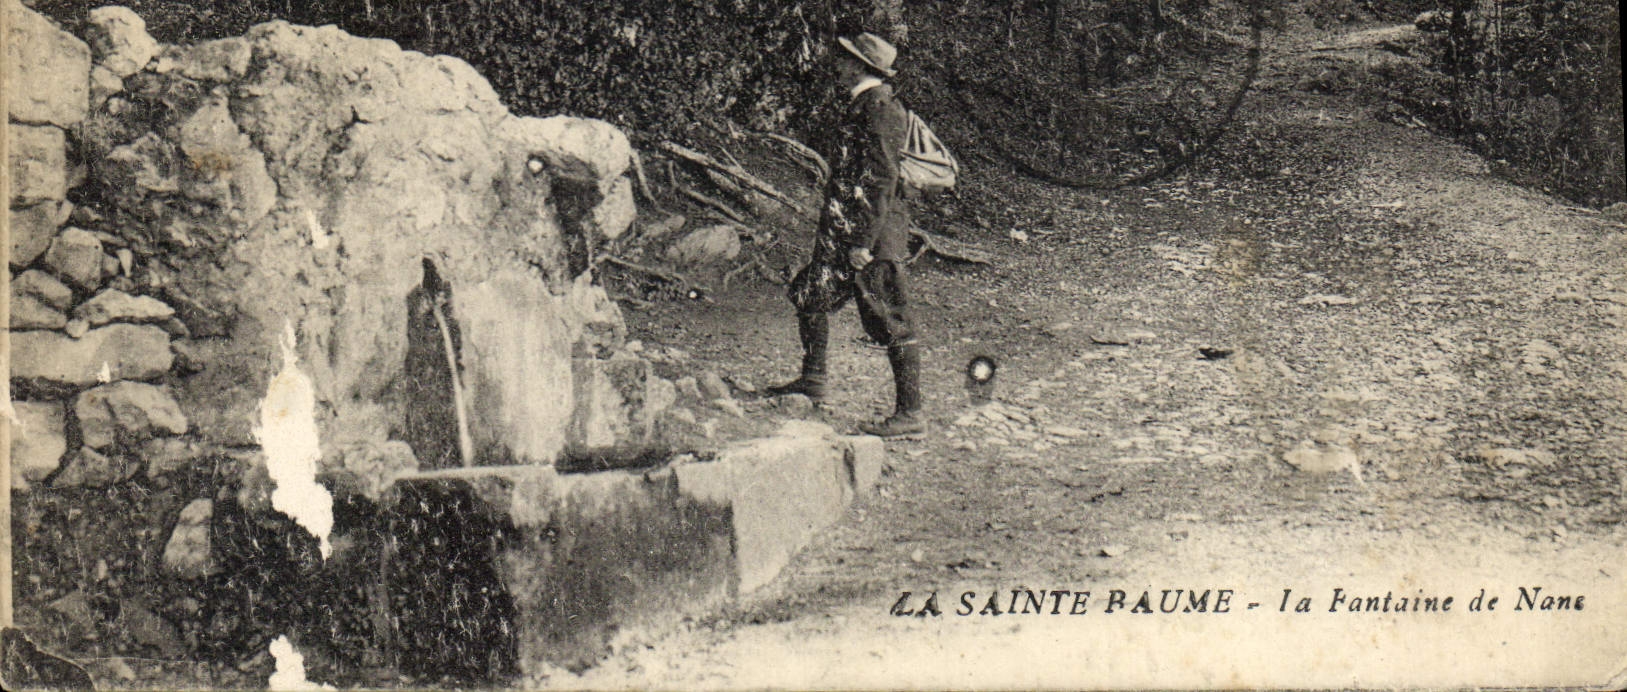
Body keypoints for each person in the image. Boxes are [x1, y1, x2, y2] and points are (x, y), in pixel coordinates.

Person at [765, 32, 923, 438]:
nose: (837, 63)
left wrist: (863, 243)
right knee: (809, 293)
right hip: (844, 232)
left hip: (871, 235)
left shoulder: (882, 107)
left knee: (890, 317)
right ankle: (813, 379)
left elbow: (883, 178)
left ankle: (911, 415)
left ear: (860, 66)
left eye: (845, 58)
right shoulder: (862, 103)